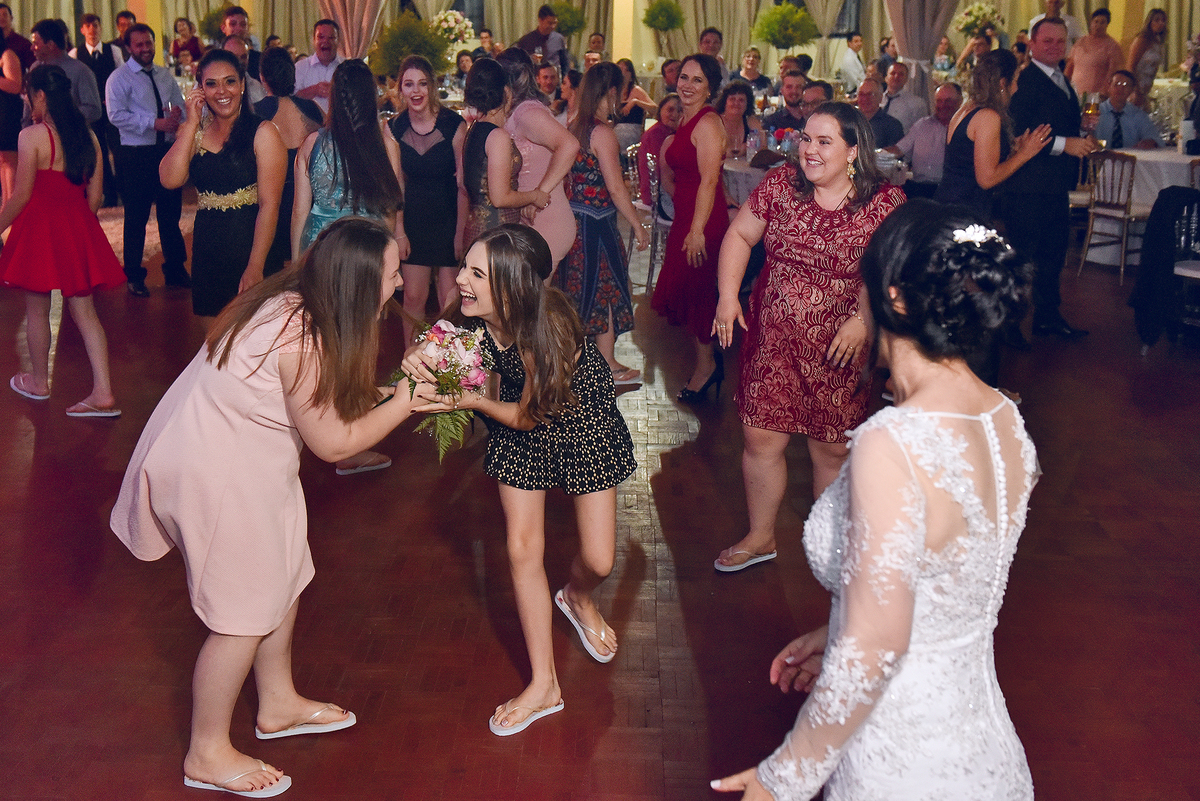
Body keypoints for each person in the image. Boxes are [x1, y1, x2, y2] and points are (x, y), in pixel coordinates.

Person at [711, 198, 1037, 801]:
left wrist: (783, 777)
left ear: (895, 300)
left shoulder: (893, 442)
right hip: (983, 749)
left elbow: (876, 647)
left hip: (901, 755)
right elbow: (944, 582)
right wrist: (842, 624)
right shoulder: (1005, 420)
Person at [112, 217, 436, 799]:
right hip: (218, 472)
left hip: (248, 461)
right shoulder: (300, 334)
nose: (397, 285)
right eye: (391, 274)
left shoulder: (301, 303)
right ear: (357, 283)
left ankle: (278, 703)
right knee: (241, 617)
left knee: (285, 574)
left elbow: (324, 402)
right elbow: (334, 443)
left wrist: (393, 391)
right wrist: (407, 401)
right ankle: (206, 752)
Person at [399, 224, 635, 736]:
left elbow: (530, 416)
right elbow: (429, 348)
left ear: (512, 287)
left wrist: (472, 400)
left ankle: (577, 596)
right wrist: (416, 359)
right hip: (516, 422)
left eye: (477, 274)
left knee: (600, 559)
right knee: (522, 549)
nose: (461, 280)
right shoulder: (468, 316)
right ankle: (544, 685)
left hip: (579, 420)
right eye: (465, 267)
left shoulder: (550, 327)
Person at [711, 101, 905, 572]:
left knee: (832, 447)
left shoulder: (884, 203)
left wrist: (863, 320)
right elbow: (740, 236)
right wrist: (728, 295)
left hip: (842, 345)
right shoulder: (782, 184)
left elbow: (892, 273)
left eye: (823, 141)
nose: (809, 150)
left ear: (853, 151)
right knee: (761, 437)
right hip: (774, 337)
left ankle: (828, 542)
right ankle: (761, 537)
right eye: (805, 139)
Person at [0, 64, 123, 418]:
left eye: (29, 96)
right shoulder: (89, 137)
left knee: (36, 308)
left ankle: (39, 382)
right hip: (76, 226)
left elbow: (21, 196)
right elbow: (96, 197)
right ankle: (103, 391)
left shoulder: (32, 136)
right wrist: (77, 228)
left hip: (39, 230)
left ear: (40, 95)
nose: (28, 103)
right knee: (86, 313)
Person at [160, 48, 287, 324]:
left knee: (253, 339)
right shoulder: (195, 132)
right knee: (213, 340)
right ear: (200, 90)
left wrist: (255, 266)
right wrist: (191, 123)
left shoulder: (263, 132)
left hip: (251, 245)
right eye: (211, 84)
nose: (222, 91)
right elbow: (170, 179)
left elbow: (270, 205)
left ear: (242, 85)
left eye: (229, 81)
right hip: (209, 248)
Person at [1002, 17, 1098, 341]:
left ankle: (1047, 316)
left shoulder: (1063, 80)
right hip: (1027, 185)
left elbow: (1056, 123)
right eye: (1048, 41)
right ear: (1032, 45)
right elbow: (1019, 132)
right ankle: (1009, 324)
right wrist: (1065, 144)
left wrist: (1082, 129)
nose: (1056, 47)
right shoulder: (1024, 80)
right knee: (1023, 256)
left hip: (1055, 184)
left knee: (1053, 254)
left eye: (1061, 41)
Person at [562, 62, 649, 383]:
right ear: (611, 92)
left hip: (574, 220)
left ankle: (577, 361)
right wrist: (637, 224)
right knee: (608, 289)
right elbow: (615, 188)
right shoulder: (602, 133)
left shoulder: (574, 126)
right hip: (598, 225)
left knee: (577, 290)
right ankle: (608, 363)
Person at [652, 53, 728, 402]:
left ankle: (707, 367)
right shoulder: (684, 121)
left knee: (698, 293)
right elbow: (677, 176)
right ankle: (707, 363)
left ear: (710, 88)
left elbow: (710, 181)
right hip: (687, 217)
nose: (687, 85)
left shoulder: (708, 123)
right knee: (688, 290)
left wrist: (697, 230)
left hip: (703, 221)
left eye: (698, 80)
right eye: (684, 77)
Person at [106, 23, 190, 297]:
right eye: (139, 44)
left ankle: (175, 269)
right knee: (136, 216)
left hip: (165, 150)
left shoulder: (164, 75)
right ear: (128, 48)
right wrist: (154, 122)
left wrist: (177, 117)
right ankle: (133, 274)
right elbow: (115, 115)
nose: (145, 49)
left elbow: (179, 105)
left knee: (170, 214)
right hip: (136, 155)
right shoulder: (118, 78)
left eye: (149, 43)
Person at [390, 55, 468, 345]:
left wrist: (460, 233)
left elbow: (463, 186)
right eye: (409, 84)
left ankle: (452, 364)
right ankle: (410, 361)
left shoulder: (454, 125)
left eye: (422, 83)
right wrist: (399, 231)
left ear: (433, 86)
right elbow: (396, 186)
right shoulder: (394, 128)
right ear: (400, 89)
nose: (416, 91)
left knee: (450, 301)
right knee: (413, 297)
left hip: (448, 218)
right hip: (413, 220)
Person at [935, 50, 1050, 221]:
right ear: (1003, 83)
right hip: (964, 211)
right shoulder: (988, 116)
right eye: (1015, 80)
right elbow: (987, 179)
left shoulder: (966, 108)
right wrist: (1025, 154)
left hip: (949, 205)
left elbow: (968, 160)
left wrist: (1014, 149)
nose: (1016, 88)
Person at [496, 48, 578, 267]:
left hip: (544, 218)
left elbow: (569, 145)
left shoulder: (527, 113)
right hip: (528, 219)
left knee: (530, 289)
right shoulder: (517, 111)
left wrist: (539, 193)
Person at [461, 58, 548, 246]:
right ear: (507, 92)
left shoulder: (474, 129)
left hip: (477, 229)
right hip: (496, 234)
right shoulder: (497, 136)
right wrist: (535, 196)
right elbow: (500, 198)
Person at [256, 47, 323, 274]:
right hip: (311, 204)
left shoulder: (255, 114)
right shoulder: (313, 109)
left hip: (271, 206)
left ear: (262, 77)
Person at [70, 14, 122, 207]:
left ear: (101, 28)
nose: (92, 29)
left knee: (119, 151)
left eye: (95, 25)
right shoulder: (75, 54)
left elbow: (121, 77)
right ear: (82, 30)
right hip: (91, 113)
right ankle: (108, 194)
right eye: (88, 26)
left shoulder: (113, 51)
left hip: (113, 110)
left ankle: (125, 192)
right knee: (99, 153)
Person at [886, 82, 963, 198]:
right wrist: (872, 156)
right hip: (918, 188)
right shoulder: (922, 124)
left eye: (948, 101)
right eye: (939, 101)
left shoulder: (964, 129)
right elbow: (899, 149)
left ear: (959, 102)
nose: (943, 105)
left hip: (949, 190)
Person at [29, 19, 101, 125]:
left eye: (35, 43)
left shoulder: (80, 71)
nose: (32, 48)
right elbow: (28, 109)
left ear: (51, 45)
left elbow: (94, 110)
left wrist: (60, 115)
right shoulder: (35, 69)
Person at [1095, 70, 1164, 149]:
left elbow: (1155, 138)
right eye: (1117, 84)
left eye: (1126, 85)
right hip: (1099, 155)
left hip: (1130, 156)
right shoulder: (1096, 112)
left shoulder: (1138, 115)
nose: (1120, 88)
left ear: (1132, 90)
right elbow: (1084, 135)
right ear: (1109, 86)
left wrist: (1150, 142)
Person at [1065, 8, 1124, 96]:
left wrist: (1104, 92)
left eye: (1102, 22)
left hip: (1096, 95)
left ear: (1107, 25)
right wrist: (1064, 84)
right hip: (1074, 92)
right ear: (1091, 23)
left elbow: (1113, 73)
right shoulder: (1080, 42)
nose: (1098, 25)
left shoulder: (1113, 46)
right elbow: (1070, 65)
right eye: (1096, 22)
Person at [638, 93, 682, 207]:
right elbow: (663, 173)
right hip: (656, 195)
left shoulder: (668, 132)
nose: (675, 115)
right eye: (670, 110)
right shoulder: (657, 133)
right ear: (661, 109)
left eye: (680, 111)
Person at [294, 19, 343, 115]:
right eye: (321, 37)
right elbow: (290, 100)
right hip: (308, 123)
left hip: (340, 123)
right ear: (313, 39)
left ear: (338, 41)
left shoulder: (346, 67)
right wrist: (313, 90)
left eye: (331, 38)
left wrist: (337, 92)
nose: (325, 41)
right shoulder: (300, 67)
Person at [613, 59, 656, 155]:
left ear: (631, 74)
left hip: (632, 141)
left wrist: (636, 102)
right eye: (620, 69)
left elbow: (655, 109)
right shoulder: (613, 92)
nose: (623, 73)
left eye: (626, 70)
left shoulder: (636, 90)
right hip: (614, 140)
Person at [1127, 9, 1167, 107]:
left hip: (1147, 87)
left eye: (1163, 20)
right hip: (1137, 86)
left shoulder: (1158, 41)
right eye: (1157, 20)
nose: (1160, 23)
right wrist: (1135, 89)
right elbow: (1130, 66)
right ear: (1150, 22)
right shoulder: (1142, 40)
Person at [715, 81, 764, 159]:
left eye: (741, 100)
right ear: (725, 102)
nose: (736, 103)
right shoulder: (715, 121)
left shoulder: (751, 121)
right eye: (732, 99)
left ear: (747, 104)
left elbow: (763, 147)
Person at [515, 5, 568, 75]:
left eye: (555, 23)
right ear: (540, 20)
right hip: (534, 78)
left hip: (553, 78)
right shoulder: (526, 40)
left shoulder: (559, 39)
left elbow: (565, 63)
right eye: (550, 23)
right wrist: (529, 60)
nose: (553, 26)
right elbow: (518, 64)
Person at [0, 28, 21, 203]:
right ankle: (6, 205)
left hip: (6, 112)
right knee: (2, 161)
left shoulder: (7, 55)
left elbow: (15, 85)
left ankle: (12, 206)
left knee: (10, 160)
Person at [855, 77, 903, 148]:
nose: (865, 99)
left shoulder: (892, 126)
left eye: (870, 94)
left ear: (880, 98)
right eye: (861, 94)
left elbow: (894, 153)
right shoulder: (849, 121)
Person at [882, 62, 927, 133]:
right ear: (886, 78)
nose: (896, 76)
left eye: (901, 74)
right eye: (893, 73)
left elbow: (921, 131)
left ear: (906, 79)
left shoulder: (917, 103)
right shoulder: (877, 99)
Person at [223, 35, 266, 106]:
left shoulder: (256, 87)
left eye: (243, 57)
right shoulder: (212, 87)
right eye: (234, 57)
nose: (240, 61)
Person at [219, 6, 260, 79]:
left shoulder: (259, 61)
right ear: (223, 28)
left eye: (243, 24)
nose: (239, 28)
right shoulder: (215, 60)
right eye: (233, 24)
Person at [0, 4, 32, 69]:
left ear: (11, 18)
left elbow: (33, 66)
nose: (1, 18)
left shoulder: (22, 43)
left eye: (5, 15)